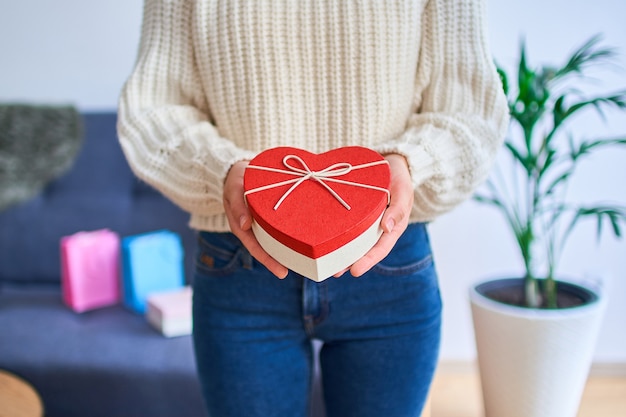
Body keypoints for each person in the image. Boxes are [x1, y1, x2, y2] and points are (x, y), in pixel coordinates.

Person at [117, 0, 509, 416]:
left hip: (386, 262)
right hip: (241, 268)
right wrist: (222, 169)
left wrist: (412, 162)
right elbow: (153, 109)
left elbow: (471, 110)